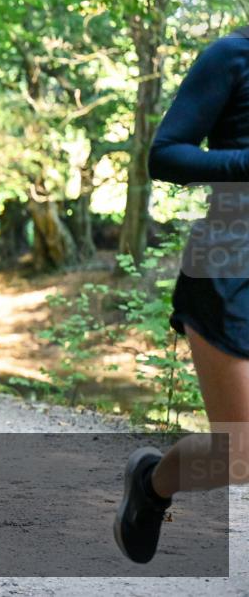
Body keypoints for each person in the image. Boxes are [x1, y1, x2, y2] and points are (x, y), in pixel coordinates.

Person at [114, 28, 249, 564]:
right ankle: (152, 483)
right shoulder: (231, 57)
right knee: (239, 454)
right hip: (230, 263)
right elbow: (165, 155)